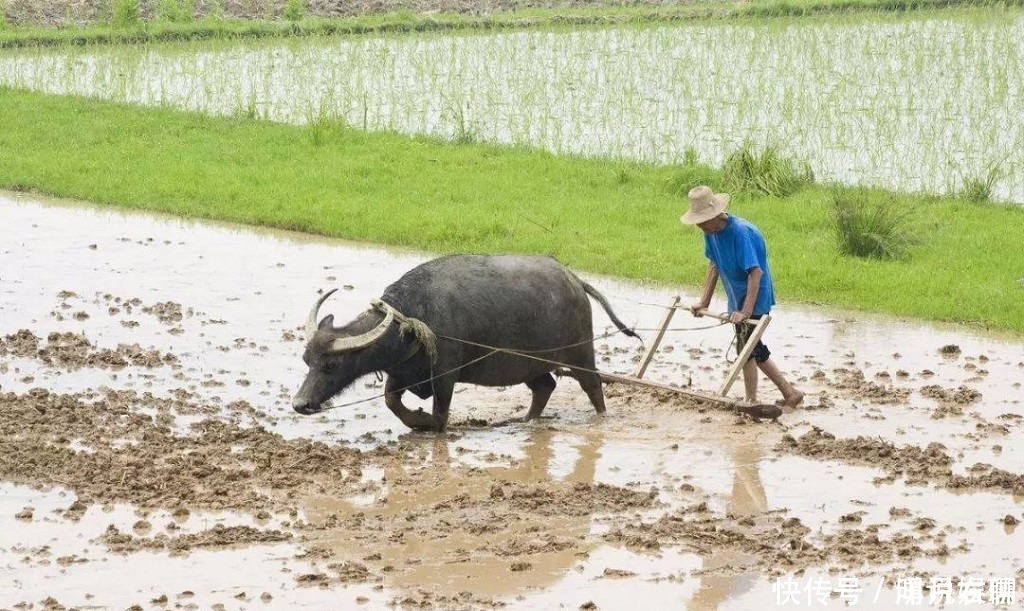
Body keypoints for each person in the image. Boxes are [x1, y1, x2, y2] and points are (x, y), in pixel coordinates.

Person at [680, 185, 804, 407]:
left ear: (716, 215)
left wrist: (746, 311)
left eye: (703, 221)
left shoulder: (741, 232)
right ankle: (789, 393)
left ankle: (753, 399)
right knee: (752, 348)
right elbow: (714, 264)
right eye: (697, 222)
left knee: (746, 348)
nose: (700, 226)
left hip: (755, 297)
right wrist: (703, 302)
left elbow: (755, 272)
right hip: (737, 298)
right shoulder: (711, 233)